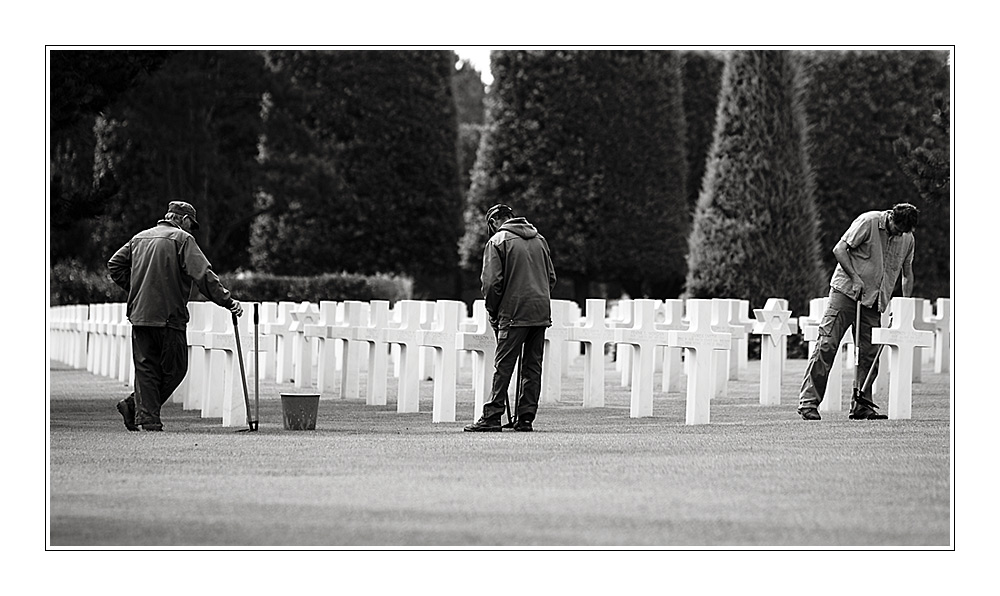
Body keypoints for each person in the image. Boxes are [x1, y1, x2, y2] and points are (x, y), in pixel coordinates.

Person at [108, 201, 242, 431]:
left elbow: (115, 265)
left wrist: (138, 290)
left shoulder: (139, 238)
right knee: (176, 368)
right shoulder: (182, 240)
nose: (191, 228)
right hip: (169, 316)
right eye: (191, 223)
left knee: (147, 368)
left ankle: (145, 417)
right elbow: (203, 275)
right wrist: (227, 301)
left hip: (140, 315)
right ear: (181, 219)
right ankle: (137, 409)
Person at [797, 202, 920, 421]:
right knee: (827, 344)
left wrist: (904, 306)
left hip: (874, 301)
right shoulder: (868, 221)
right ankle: (808, 402)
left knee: (869, 355)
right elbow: (839, 249)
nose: (898, 234)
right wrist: (855, 277)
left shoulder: (907, 239)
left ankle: (861, 405)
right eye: (896, 228)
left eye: (903, 232)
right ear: (891, 216)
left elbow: (907, 273)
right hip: (845, 293)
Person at [465, 204, 557, 432]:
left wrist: (494, 312)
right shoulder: (540, 240)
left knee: (503, 366)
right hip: (540, 312)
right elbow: (551, 278)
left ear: (494, 222)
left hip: (513, 311)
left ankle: (492, 416)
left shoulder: (497, 241)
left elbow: (491, 283)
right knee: (532, 366)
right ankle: (525, 418)